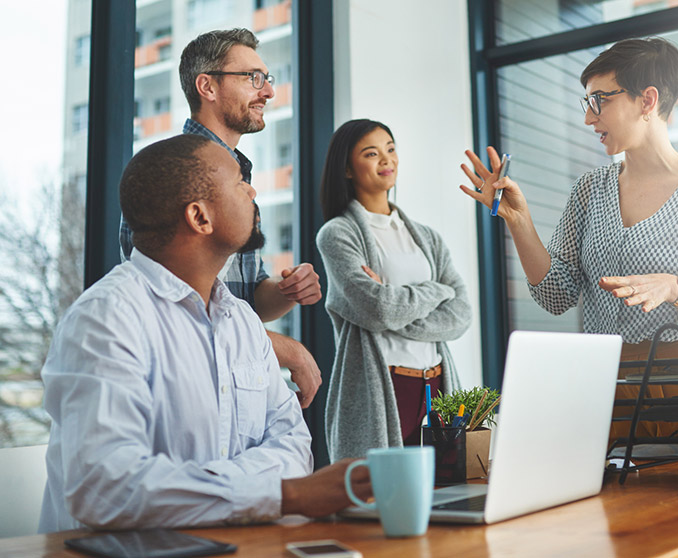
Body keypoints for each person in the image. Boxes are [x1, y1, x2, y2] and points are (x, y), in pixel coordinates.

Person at [39, 135, 370, 533]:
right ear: (200, 218)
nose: (252, 190)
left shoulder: (242, 320)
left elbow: (295, 446)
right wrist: (285, 496)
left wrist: (199, 489)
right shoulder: (105, 319)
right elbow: (106, 488)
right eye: (238, 182)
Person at [459, 37, 678, 441]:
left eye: (600, 100)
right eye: (587, 102)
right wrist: (519, 220)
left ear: (647, 100)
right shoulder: (590, 190)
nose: (589, 118)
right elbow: (555, 295)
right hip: (608, 389)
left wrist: (676, 288)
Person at [119, 28, 322, 408]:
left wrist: (285, 291)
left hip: (237, 380)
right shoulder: (169, 173)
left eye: (267, 79)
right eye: (253, 78)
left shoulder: (240, 177)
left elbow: (249, 298)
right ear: (207, 86)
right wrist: (285, 349)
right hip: (190, 389)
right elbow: (177, 310)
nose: (268, 92)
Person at [317, 119, 471, 461]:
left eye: (390, 149)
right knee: (382, 500)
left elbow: (461, 316)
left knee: (447, 497)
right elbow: (379, 310)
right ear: (346, 169)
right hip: (384, 385)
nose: (387, 160)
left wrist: (395, 302)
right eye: (372, 153)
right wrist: (437, 291)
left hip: (437, 384)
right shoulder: (338, 234)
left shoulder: (427, 237)